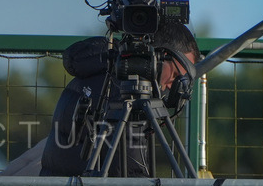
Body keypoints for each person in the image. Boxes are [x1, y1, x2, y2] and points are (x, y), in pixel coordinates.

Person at [38, 22, 200, 177]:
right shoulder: (125, 92)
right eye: (175, 75)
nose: (173, 86)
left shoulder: (99, 68)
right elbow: (131, 178)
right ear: (157, 57)